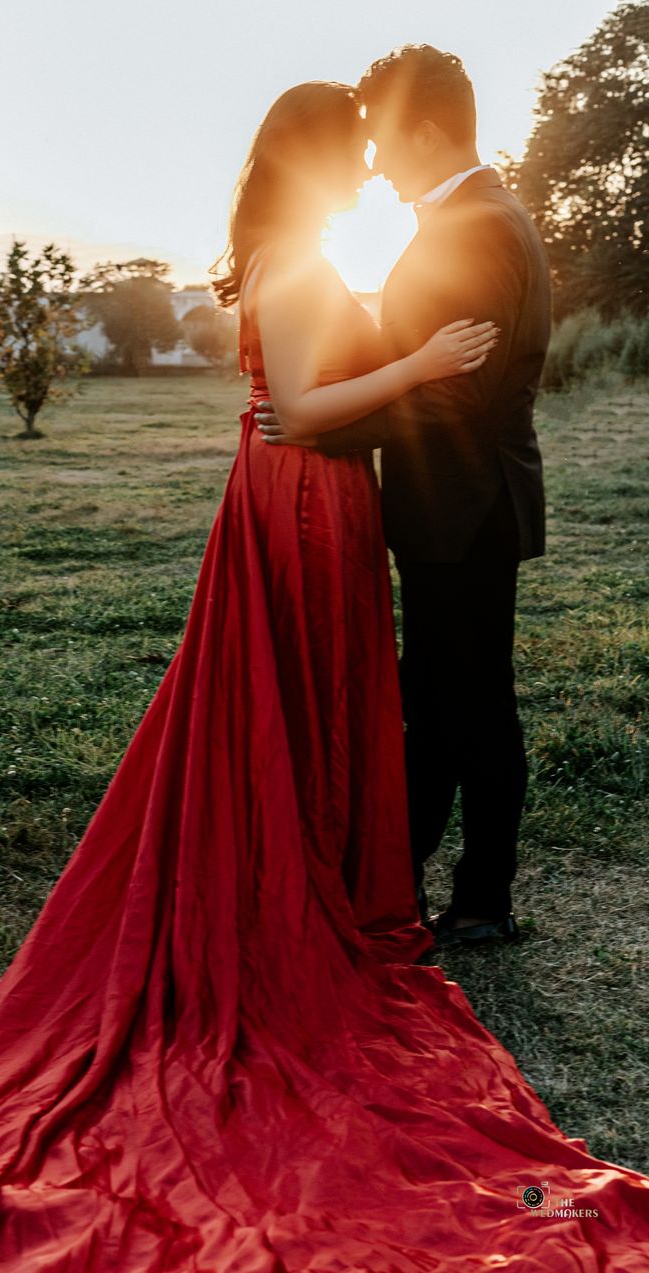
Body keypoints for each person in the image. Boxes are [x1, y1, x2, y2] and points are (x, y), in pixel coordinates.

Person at [0, 80, 648, 1273]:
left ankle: (334, 865)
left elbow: (312, 402)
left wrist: (384, 376)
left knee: (337, 704)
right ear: (317, 160)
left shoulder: (313, 253)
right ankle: (311, 883)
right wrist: (418, 359)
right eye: (354, 146)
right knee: (306, 700)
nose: (369, 160)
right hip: (302, 505)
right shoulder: (287, 258)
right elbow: (305, 401)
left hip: (321, 491)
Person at [258, 46, 549, 949]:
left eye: (383, 140)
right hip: (449, 509)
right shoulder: (468, 216)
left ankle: (483, 898)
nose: (375, 161)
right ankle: (396, 878)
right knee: (430, 698)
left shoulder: (480, 226)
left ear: (425, 132)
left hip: (466, 508)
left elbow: (455, 395)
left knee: (471, 705)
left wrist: (317, 426)